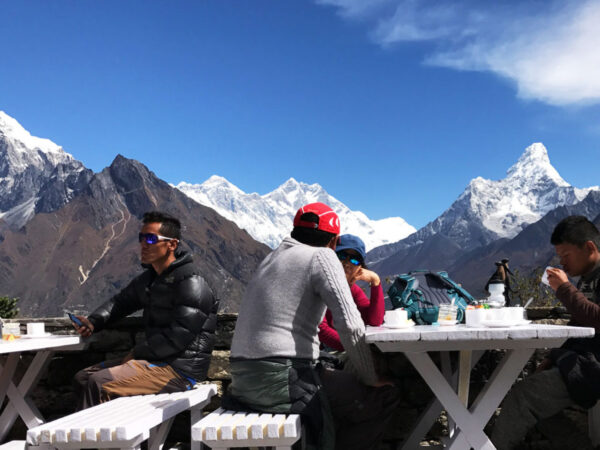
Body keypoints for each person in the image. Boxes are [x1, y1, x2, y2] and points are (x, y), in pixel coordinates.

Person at [224, 202, 400, 450]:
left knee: (337, 384)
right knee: (382, 395)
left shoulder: (272, 257)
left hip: (242, 380)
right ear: (334, 241)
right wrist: (370, 377)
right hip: (282, 378)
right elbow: (350, 325)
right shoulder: (322, 256)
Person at [72, 211, 219, 410]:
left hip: (178, 371)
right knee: (83, 378)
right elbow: (120, 302)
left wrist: (136, 352)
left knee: (99, 382)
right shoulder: (150, 279)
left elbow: (178, 337)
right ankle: (97, 436)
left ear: (172, 244)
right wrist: (93, 322)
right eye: (141, 238)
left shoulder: (191, 282)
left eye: (150, 239)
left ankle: (93, 440)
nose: (143, 244)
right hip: (153, 362)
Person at [491, 215, 600, 449]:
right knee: (533, 395)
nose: (563, 263)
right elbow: (579, 325)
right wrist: (553, 356)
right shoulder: (585, 280)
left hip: (595, 364)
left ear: (589, 247)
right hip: (585, 360)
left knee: (524, 395)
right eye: (560, 257)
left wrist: (565, 289)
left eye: (566, 255)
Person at [318, 234, 384, 352]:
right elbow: (320, 329)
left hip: (340, 349)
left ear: (360, 267)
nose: (347, 263)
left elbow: (374, 321)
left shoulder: (353, 291)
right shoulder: (318, 284)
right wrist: (359, 347)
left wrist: (376, 282)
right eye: (342, 255)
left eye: (355, 259)